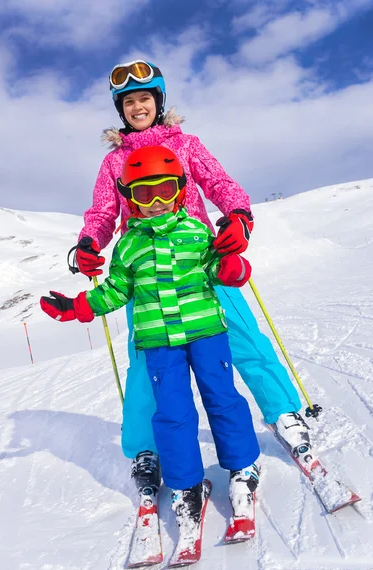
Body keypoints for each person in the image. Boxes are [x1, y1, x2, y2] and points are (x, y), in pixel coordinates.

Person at [73, 59, 310, 494]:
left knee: (244, 339)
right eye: (129, 101)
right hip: (146, 277)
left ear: (158, 101)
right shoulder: (113, 164)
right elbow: (104, 211)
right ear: (120, 109)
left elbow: (219, 183)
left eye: (145, 98)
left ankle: (283, 412)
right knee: (146, 364)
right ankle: (146, 448)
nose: (138, 106)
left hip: (201, 262)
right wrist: (89, 242)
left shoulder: (186, 144)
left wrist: (238, 216)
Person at [42, 145, 260, 534]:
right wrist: (77, 307)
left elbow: (222, 271)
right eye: (144, 193)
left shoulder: (196, 231)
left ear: (179, 191)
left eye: (163, 190)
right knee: (172, 414)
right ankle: (186, 485)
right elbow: (114, 291)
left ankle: (243, 466)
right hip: (159, 344)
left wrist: (233, 264)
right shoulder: (128, 246)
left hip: (207, 334)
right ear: (130, 198)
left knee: (223, 398)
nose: (155, 202)